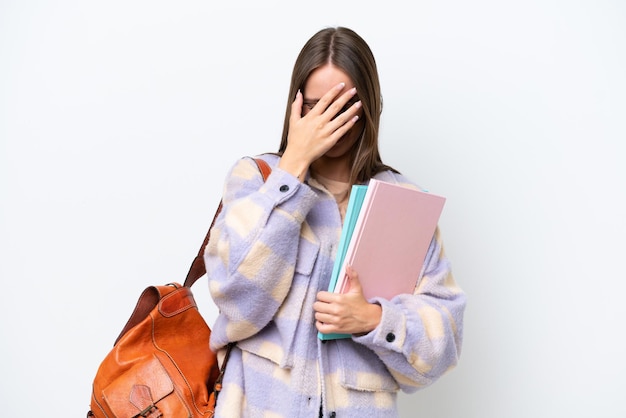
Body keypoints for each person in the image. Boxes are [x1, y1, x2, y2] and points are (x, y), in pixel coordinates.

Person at [204, 26, 466, 418]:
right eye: (316, 107)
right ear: (296, 107)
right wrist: (292, 169)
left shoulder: (403, 204)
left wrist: (375, 319)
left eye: (345, 104)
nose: (332, 120)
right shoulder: (255, 180)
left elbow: (443, 345)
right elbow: (237, 300)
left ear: (370, 104)